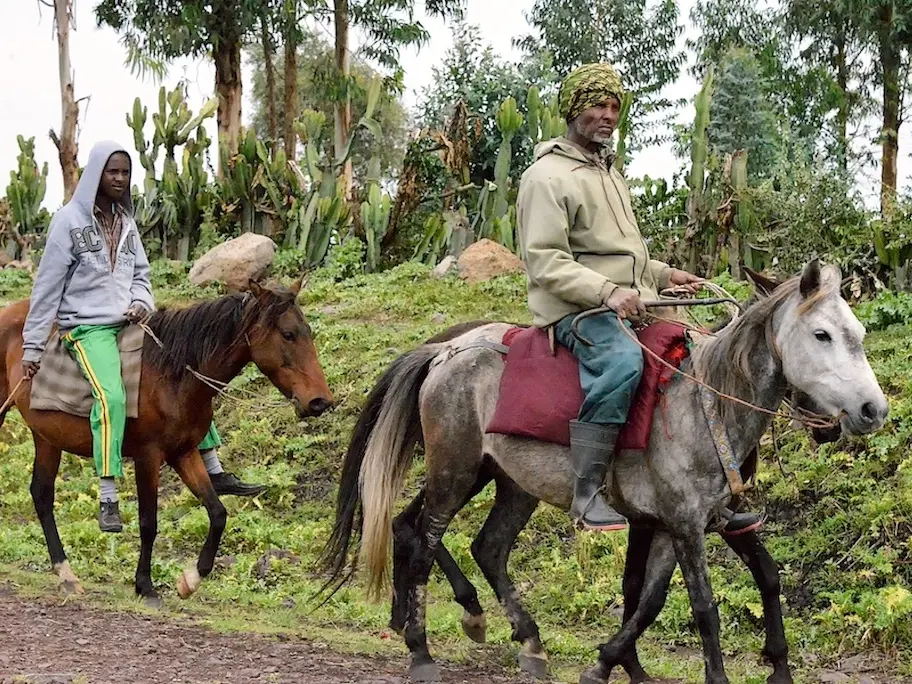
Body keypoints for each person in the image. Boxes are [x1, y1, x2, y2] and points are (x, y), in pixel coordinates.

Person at [516, 63, 760, 534]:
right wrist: (607, 292)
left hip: (628, 303)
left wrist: (665, 274)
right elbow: (545, 262)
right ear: (573, 110)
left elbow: (621, 258)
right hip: (578, 310)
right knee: (624, 363)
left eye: (614, 107)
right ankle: (586, 492)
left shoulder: (609, 173)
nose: (607, 116)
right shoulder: (546, 178)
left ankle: (704, 491)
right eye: (597, 106)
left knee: (697, 357)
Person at [20, 140, 265, 534]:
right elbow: (47, 287)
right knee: (111, 395)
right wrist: (32, 345)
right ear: (96, 174)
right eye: (112, 172)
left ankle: (214, 468)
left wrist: (140, 302)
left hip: (130, 321)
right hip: (88, 327)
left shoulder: (127, 222)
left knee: (184, 376)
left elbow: (141, 275)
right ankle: (107, 493)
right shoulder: (68, 222)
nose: (120, 179)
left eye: (125, 173)